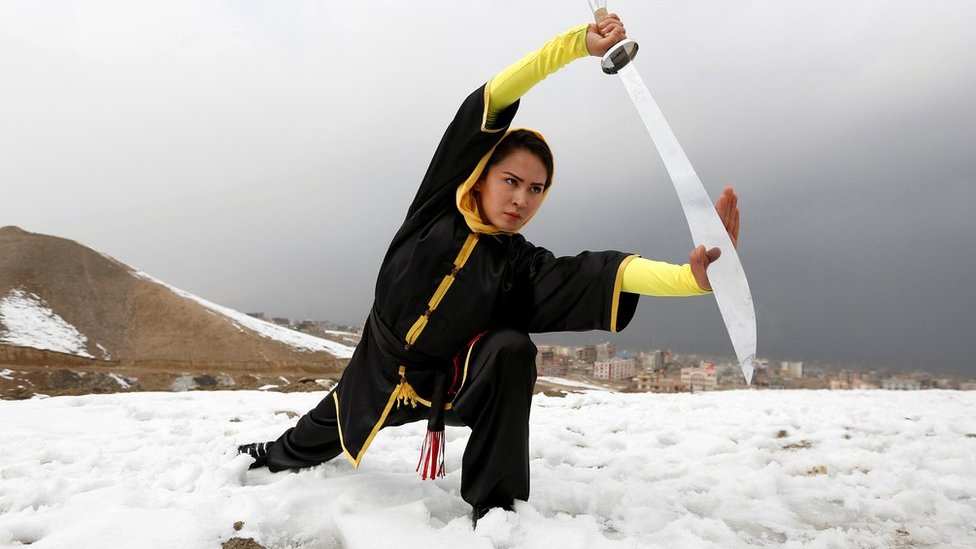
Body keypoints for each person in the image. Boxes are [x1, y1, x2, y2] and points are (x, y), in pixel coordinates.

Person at [239, 14, 741, 526]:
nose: (522, 199)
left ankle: (497, 508)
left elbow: (602, 273)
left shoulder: (520, 266)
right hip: (376, 371)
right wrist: (576, 46)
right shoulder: (436, 205)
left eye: (536, 189)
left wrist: (690, 279)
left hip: (452, 386)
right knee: (305, 440)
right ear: (480, 176)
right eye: (511, 180)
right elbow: (494, 97)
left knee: (511, 348)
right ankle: (274, 452)